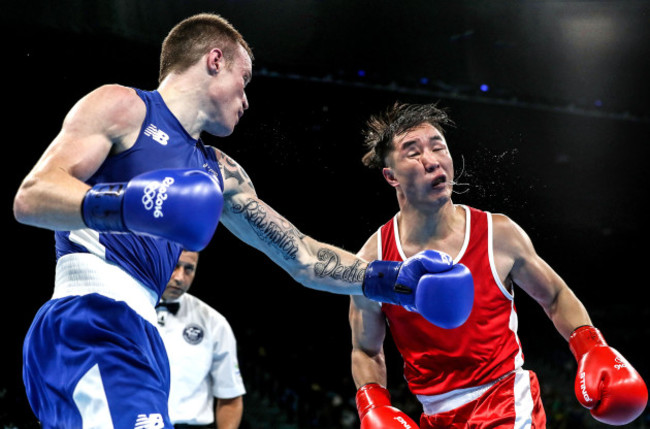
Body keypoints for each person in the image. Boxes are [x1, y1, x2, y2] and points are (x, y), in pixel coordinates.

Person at [12, 13, 474, 429]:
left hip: (138, 335)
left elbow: (303, 257)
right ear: (215, 59)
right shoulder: (125, 106)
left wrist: (394, 281)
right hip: (92, 318)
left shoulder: (220, 171)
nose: (247, 100)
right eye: (244, 78)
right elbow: (32, 197)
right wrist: (135, 202)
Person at [349, 102, 648, 428]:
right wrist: (372, 404)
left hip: (505, 400)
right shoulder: (373, 262)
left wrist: (591, 347)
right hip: (434, 417)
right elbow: (365, 349)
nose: (432, 161)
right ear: (390, 176)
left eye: (439, 147)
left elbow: (555, 296)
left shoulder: (497, 234)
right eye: (413, 152)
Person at [156, 250, 244, 429]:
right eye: (174, 266)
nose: (180, 277)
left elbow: (230, 397)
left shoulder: (214, 322)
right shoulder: (125, 310)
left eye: (189, 269)